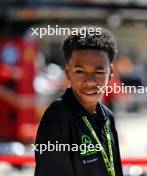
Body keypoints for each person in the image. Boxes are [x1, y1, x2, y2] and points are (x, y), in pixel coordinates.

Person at [34, 26, 123, 176]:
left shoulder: (108, 117)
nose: (89, 82)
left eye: (99, 72)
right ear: (68, 73)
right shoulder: (57, 117)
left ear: (111, 73)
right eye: (80, 72)